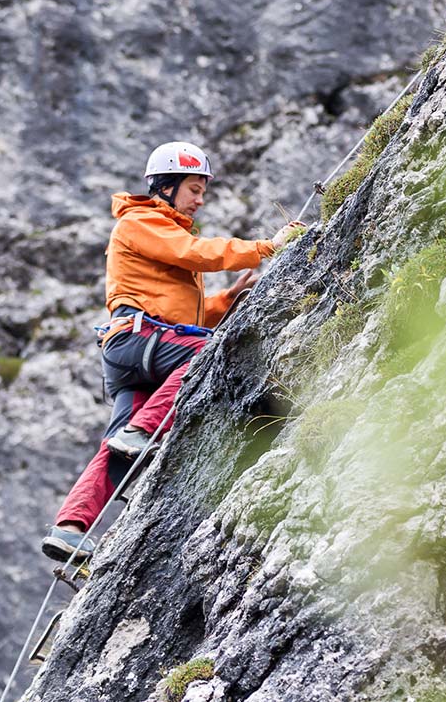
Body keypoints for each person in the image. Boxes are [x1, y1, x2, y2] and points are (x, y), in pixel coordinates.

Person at [41, 141, 304, 563]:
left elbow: (178, 308)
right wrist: (265, 247)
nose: (200, 199)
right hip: (140, 341)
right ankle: (143, 430)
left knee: (117, 449)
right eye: (194, 188)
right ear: (166, 186)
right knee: (207, 354)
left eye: (202, 191)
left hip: (140, 349)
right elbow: (194, 255)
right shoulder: (141, 221)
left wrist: (225, 301)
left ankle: (70, 527)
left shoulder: (158, 230)